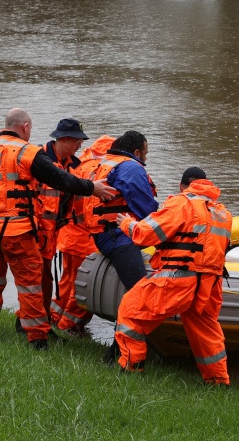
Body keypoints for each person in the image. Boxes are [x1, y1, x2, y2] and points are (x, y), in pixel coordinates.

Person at [0, 108, 115, 350]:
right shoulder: (27, 152)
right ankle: (37, 338)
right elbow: (59, 179)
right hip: (17, 231)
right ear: (25, 127)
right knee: (31, 283)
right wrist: (91, 188)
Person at [110, 167, 232, 385]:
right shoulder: (223, 212)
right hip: (209, 286)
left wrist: (125, 223)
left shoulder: (181, 203)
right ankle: (218, 382)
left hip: (177, 280)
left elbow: (146, 234)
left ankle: (132, 370)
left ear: (182, 186)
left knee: (130, 311)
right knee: (206, 332)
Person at [50, 134, 116, 334]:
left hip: (68, 236)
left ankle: (53, 317)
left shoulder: (78, 164)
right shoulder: (104, 172)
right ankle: (68, 326)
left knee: (67, 282)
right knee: (84, 288)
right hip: (85, 239)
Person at [81, 130, 158, 290]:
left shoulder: (107, 162)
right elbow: (146, 208)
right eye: (145, 153)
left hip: (103, 234)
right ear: (137, 152)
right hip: (119, 237)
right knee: (140, 292)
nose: (146, 158)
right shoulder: (130, 167)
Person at [32, 118, 88, 319]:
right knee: (36, 279)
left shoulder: (73, 165)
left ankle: (42, 321)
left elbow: (76, 207)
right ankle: (32, 323)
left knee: (45, 280)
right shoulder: (38, 160)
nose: (81, 144)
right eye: (77, 140)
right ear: (63, 139)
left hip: (53, 234)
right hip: (34, 232)